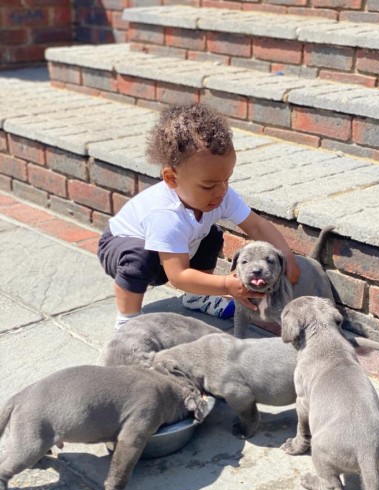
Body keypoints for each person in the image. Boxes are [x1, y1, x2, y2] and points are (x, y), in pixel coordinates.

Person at [98, 103, 300, 329]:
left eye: (227, 179)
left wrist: (286, 256)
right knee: (138, 258)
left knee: (212, 235)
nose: (221, 190)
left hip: (179, 247)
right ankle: (127, 320)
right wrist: (225, 285)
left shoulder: (221, 194)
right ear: (171, 179)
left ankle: (196, 296)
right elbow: (178, 275)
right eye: (208, 185)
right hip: (121, 247)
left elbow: (257, 225)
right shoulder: (165, 215)